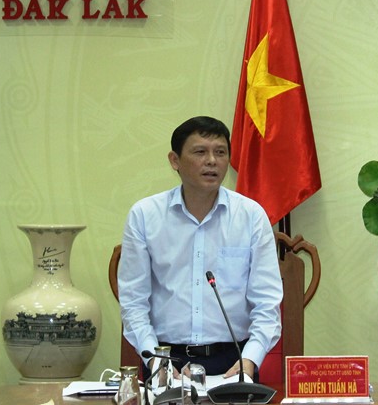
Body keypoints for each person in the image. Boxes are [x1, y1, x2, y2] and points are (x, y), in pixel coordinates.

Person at [118, 116, 283, 381]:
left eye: (220, 152)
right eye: (200, 152)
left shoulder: (251, 216)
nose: (212, 161)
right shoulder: (145, 215)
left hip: (234, 361)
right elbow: (133, 302)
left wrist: (250, 359)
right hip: (166, 359)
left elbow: (267, 302)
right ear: (175, 160)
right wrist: (156, 361)